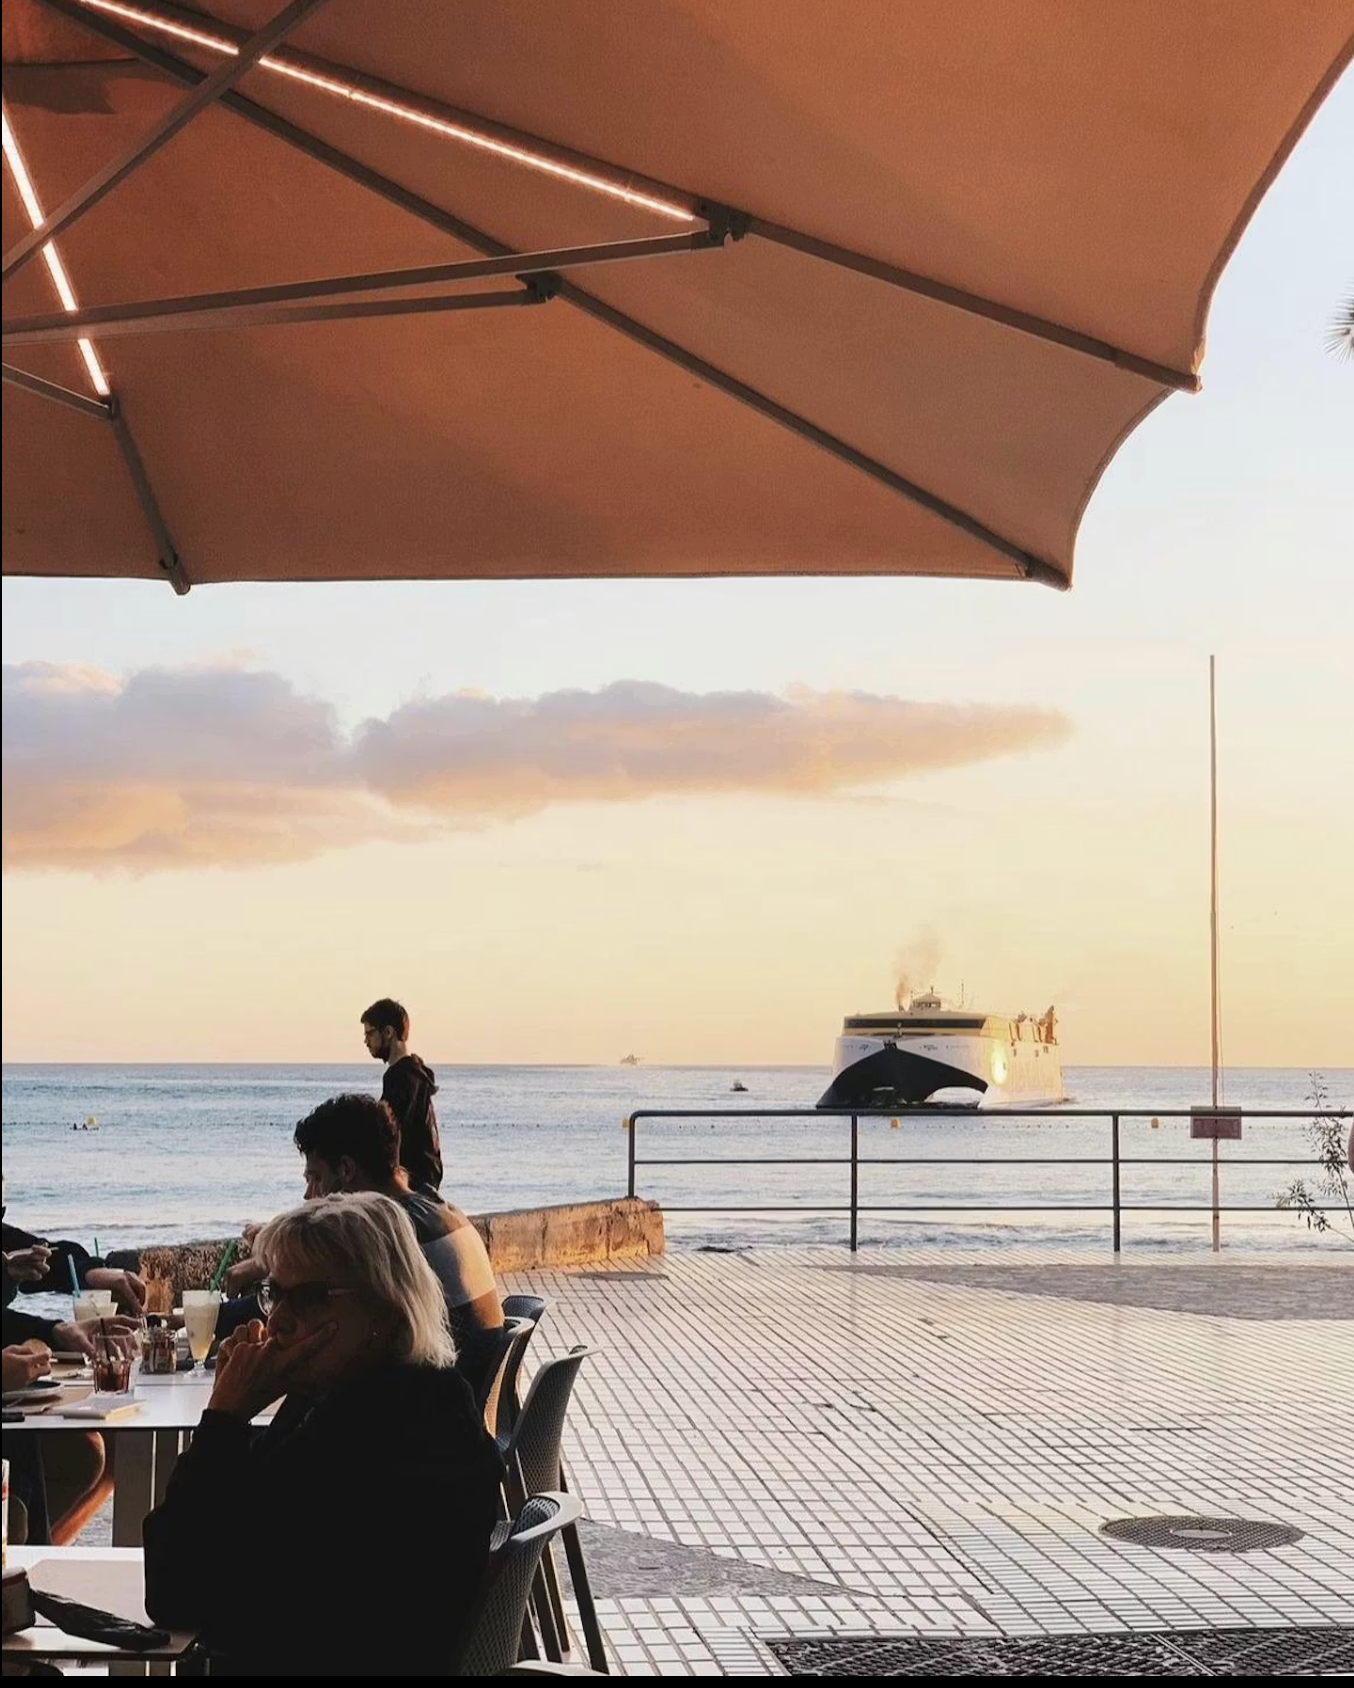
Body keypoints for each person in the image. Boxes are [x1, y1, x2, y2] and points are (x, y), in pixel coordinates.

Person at [143, 1193, 503, 1676]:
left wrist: (225, 1417)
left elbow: (175, 1591)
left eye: (310, 1299)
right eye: (274, 1294)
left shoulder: (375, 1433)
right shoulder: (397, 1399)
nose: (279, 1320)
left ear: (385, 1313)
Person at [223, 1096, 504, 1396]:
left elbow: (301, 1302)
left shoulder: (390, 1234)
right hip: (458, 1402)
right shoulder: (438, 1209)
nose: (308, 1195)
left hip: (421, 1419)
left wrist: (206, 1321)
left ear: (345, 1170)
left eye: (315, 1178)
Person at [361, 997, 443, 1192]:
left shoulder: (401, 1076)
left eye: (370, 1034)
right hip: (426, 1177)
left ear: (388, 1032)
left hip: (412, 1181)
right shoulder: (416, 1072)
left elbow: (388, 1131)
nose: (366, 1041)